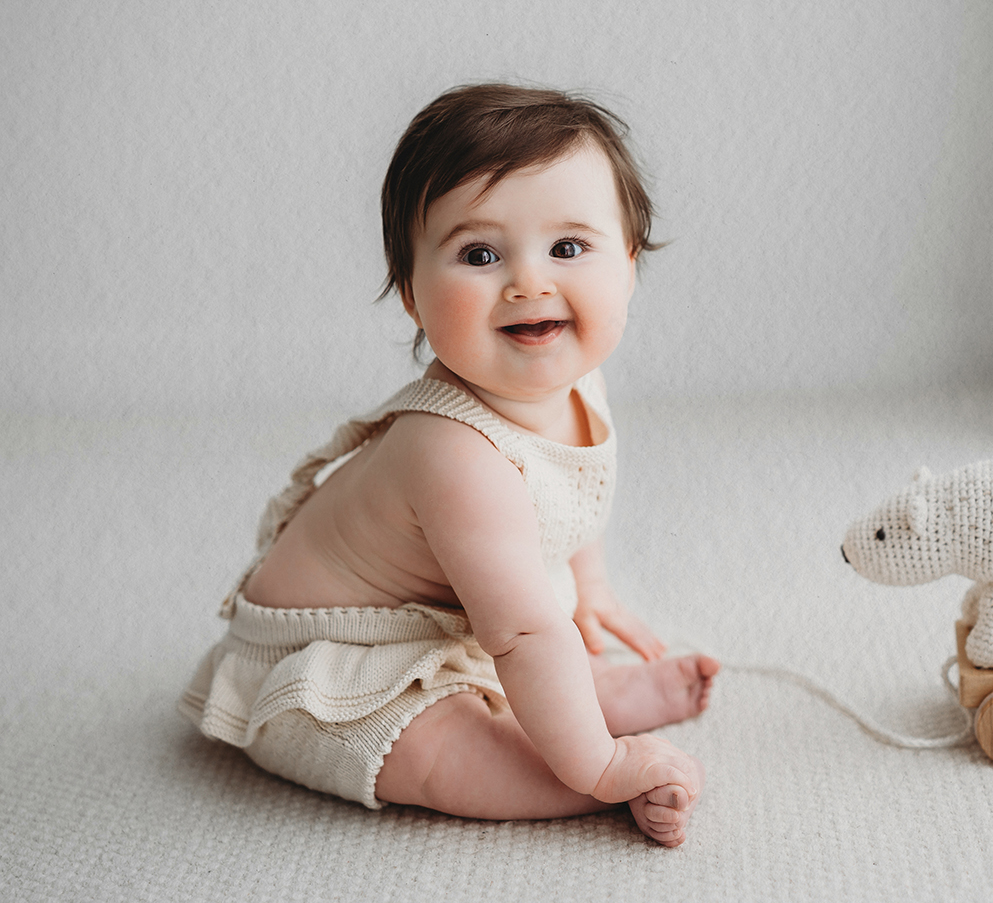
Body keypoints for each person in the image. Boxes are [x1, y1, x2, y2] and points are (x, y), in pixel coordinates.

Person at [179, 83, 717, 847]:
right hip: (341, 670)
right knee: (440, 750)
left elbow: (571, 498)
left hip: (464, 626)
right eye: (480, 254)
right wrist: (598, 766)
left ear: (628, 265)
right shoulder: (455, 454)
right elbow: (525, 635)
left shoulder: (574, 381)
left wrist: (587, 591)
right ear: (411, 295)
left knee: (535, 653)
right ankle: (585, 775)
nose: (530, 282)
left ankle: (591, 697)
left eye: (568, 247)